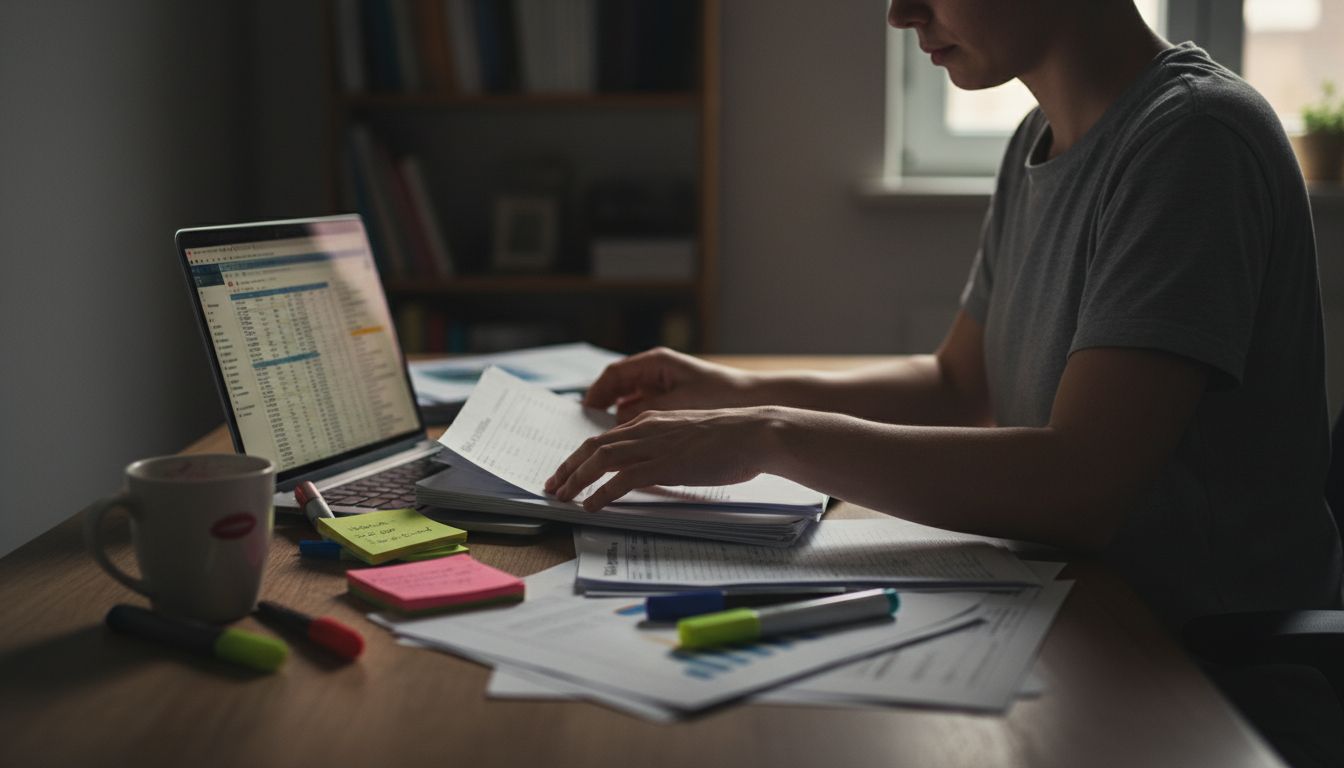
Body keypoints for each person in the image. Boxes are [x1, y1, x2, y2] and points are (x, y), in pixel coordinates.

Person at [546, 0, 1343, 633]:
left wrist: (767, 434)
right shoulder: (1041, 135)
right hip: (1079, 616)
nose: (899, 12)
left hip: (1202, 673)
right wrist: (726, 387)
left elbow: (1080, 488)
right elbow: (960, 383)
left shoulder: (1194, 141)